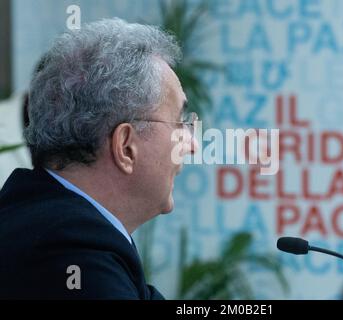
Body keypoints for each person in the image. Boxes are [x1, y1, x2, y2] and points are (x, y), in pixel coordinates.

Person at [0, 18, 198, 299]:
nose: (192, 144)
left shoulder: (52, 219)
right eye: (179, 123)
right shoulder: (72, 247)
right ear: (126, 147)